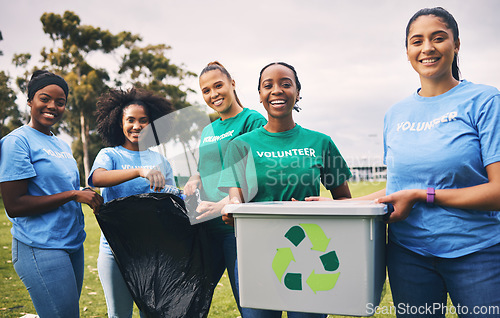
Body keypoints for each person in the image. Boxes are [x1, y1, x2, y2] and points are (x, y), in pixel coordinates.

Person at [360, 7, 500, 317]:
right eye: (417, 41)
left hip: (478, 254)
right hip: (408, 255)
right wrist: (338, 205)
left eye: (438, 38)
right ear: (407, 51)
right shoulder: (395, 114)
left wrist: (424, 195)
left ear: (456, 45)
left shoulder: (486, 101)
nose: (427, 48)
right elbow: (398, 188)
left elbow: (498, 191)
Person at [219, 62, 352, 318]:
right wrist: (232, 207)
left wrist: (328, 207)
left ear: (298, 92)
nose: (276, 90)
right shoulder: (240, 145)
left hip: (311, 254)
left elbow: (344, 199)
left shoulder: (321, 142)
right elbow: (235, 194)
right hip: (255, 254)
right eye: (268, 85)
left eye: (285, 84)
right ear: (259, 95)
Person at [0, 70, 103, 317]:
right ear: (29, 102)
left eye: (60, 102)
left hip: (72, 244)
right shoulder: (17, 141)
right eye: (44, 99)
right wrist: (73, 195)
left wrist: (82, 191)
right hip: (40, 245)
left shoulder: (61, 144)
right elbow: (14, 205)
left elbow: (63, 187)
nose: (52, 106)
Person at [183, 61, 267, 313]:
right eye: (206, 91)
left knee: (250, 304)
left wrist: (225, 205)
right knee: (190, 299)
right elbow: (207, 164)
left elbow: (256, 174)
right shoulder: (208, 129)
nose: (213, 94)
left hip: (237, 227)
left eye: (218, 86)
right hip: (206, 229)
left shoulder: (252, 121)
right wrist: (194, 178)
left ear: (232, 84)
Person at [88, 87, 176, 318]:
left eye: (143, 121)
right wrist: (139, 171)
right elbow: (97, 178)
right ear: (119, 123)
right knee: (119, 314)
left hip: (153, 252)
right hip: (114, 251)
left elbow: (173, 199)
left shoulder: (160, 160)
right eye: (131, 120)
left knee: (152, 313)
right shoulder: (110, 155)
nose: (137, 126)